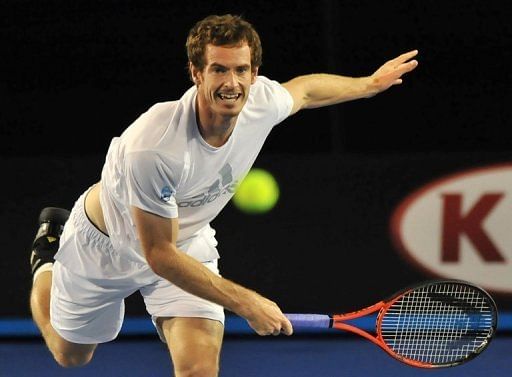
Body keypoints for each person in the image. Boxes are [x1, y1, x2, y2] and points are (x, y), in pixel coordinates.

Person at [29, 14, 418, 376]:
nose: (231, 83)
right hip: (106, 247)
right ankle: (46, 260)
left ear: (254, 73)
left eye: (240, 70)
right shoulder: (153, 147)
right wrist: (247, 303)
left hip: (183, 241)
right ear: (196, 72)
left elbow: (306, 91)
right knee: (71, 355)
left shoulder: (259, 103)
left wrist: (369, 85)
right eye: (218, 69)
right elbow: (158, 255)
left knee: (199, 368)